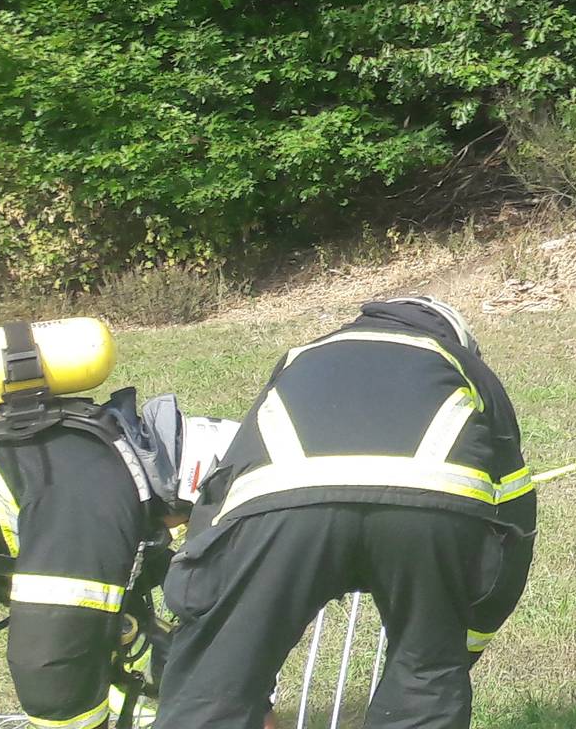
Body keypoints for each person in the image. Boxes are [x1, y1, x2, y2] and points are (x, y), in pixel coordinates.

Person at [152, 296, 534, 729]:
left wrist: (205, 606)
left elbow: (227, 483)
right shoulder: (463, 365)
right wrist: (454, 644)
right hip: (430, 507)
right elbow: (517, 509)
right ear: (457, 337)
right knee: (423, 685)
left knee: (213, 688)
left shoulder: (305, 355)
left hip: (283, 502)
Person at [0, 335, 234, 729]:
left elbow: (122, 616)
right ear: (189, 495)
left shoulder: (100, 457)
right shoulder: (96, 500)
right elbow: (51, 657)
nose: (180, 534)